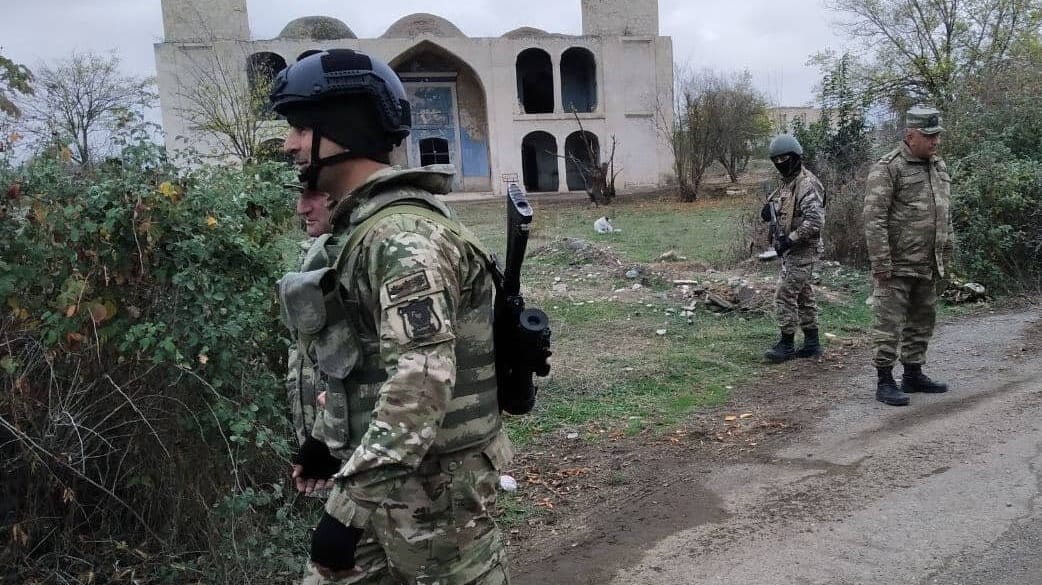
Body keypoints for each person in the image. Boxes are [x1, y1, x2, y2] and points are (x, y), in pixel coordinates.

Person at [272, 49, 513, 584]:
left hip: (435, 492)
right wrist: (325, 438)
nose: (289, 143)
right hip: (381, 474)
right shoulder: (363, 229)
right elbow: (363, 363)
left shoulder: (402, 239)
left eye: (300, 127)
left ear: (344, 130)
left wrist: (347, 509)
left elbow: (421, 379)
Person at [864, 106, 954, 407]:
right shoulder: (889, 167)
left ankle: (913, 374)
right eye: (929, 136)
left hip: (930, 262)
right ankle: (885, 380)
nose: (935, 141)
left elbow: (945, 214)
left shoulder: (938, 166)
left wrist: (946, 254)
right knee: (888, 324)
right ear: (910, 135)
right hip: (897, 265)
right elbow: (874, 218)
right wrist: (881, 263)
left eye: (937, 135)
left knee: (922, 321)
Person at [761, 134, 826, 363]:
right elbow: (782, 207)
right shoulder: (788, 184)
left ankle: (786, 344)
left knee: (785, 294)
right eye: (776, 160)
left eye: (784, 158)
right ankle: (812, 343)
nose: (781, 163)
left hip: (803, 250)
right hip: (792, 252)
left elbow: (815, 221)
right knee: (804, 296)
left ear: (796, 157)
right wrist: (770, 212)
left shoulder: (807, 184)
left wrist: (791, 239)